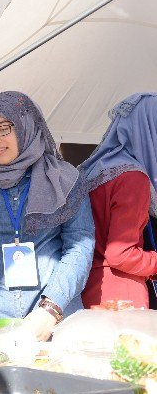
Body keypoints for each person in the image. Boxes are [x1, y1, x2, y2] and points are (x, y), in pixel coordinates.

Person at [0, 91, 94, 341]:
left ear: (26, 126)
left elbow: (79, 247)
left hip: (56, 320)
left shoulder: (65, 179)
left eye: (3, 128)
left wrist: (49, 310)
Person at [79, 93, 157, 309]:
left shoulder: (97, 170)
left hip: (90, 288)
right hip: (121, 296)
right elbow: (120, 253)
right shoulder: (133, 178)